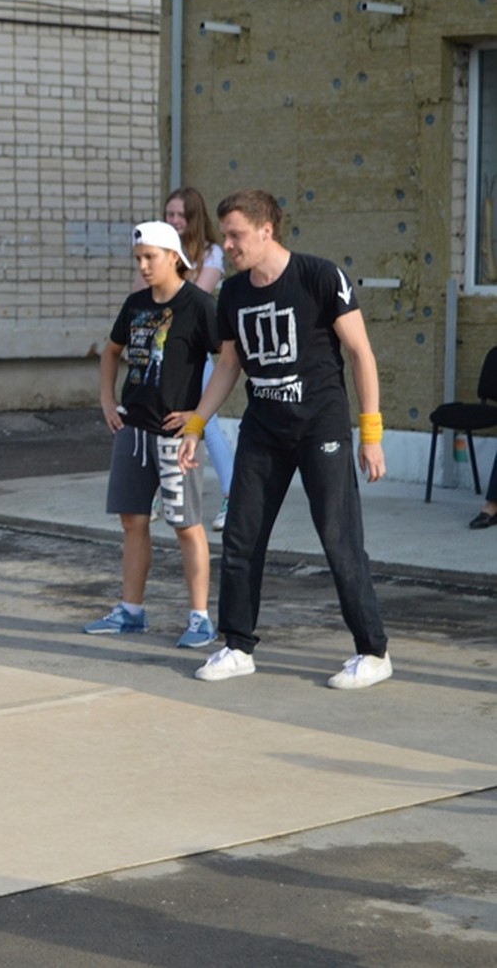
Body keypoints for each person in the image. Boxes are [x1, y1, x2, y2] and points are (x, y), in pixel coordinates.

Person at [175, 189, 391, 689]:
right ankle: (237, 646)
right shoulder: (233, 293)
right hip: (264, 430)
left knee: (339, 539)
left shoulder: (320, 276)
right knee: (241, 537)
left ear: (266, 230)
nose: (228, 245)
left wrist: (371, 433)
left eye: (236, 235)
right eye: (225, 236)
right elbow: (229, 365)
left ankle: (373, 651)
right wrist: (197, 424)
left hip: (321, 427)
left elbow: (361, 354)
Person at [85, 222, 219, 648]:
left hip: (176, 435)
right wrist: (108, 401)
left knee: (186, 525)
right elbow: (111, 352)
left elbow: (230, 361)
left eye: (150, 257)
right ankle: (131, 612)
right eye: (138, 258)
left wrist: (199, 416)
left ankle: (200, 618)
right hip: (133, 430)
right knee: (132, 521)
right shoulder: (136, 304)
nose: (143, 266)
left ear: (173, 257)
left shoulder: (199, 305)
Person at [164, 187, 234, 531]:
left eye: (182, 215)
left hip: (196, 349)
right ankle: (160, 492)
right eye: (170, 214)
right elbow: (139, 297)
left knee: (207, 421)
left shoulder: (211, 253)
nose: (175, 221)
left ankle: (233, 494)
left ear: (194, 218)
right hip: (163, 350)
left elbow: (194, 298)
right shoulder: (160, 252)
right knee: (163, 419)